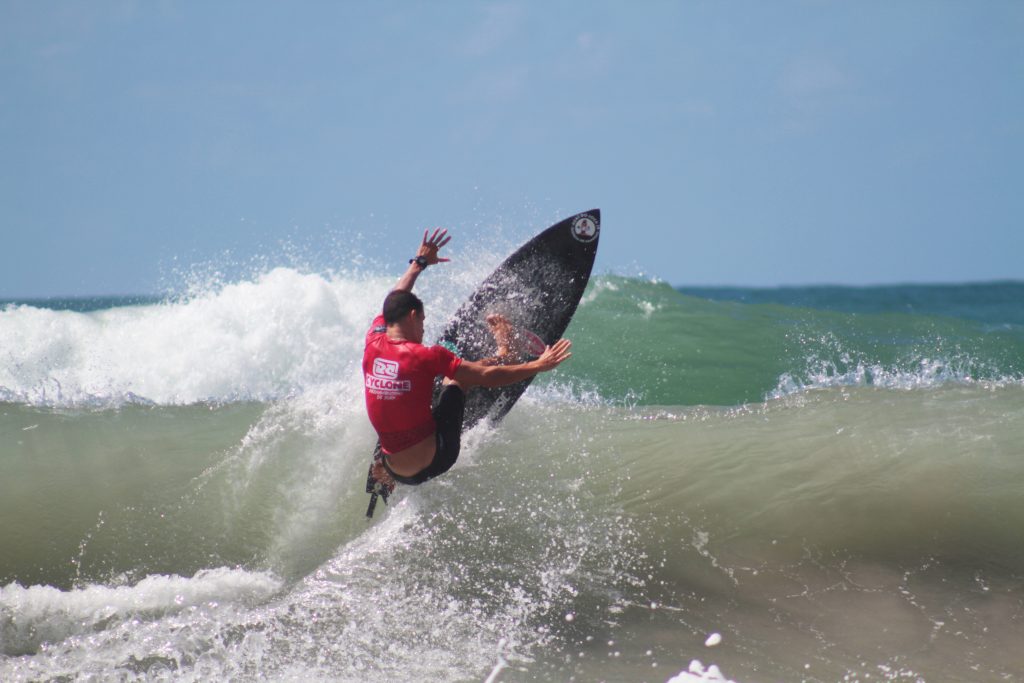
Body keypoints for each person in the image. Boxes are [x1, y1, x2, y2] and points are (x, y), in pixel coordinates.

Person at [363, 228, 572, 509]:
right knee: (456, 378)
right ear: (413, 316)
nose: (424, 330)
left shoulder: (373, 339)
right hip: (437, 459)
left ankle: (385, 471)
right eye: (422, 322)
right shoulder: (425, 356)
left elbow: (397, 295)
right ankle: (504, 352)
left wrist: (419, 263)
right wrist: (538, 364)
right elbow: (486, 377)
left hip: (395, 468)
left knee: (394, 408)